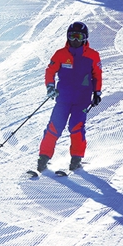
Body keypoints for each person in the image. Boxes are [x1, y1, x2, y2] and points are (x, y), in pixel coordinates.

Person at [36, 22, 102, 173]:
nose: (75, 40)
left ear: (85, 38)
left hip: (82, 100)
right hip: (63, 98)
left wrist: (97, 92)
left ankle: (76, 159)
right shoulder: (60, 54)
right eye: (72, 36)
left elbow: (97, 75)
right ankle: (43, 157)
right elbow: (50, 71)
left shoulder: (92, 55)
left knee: (76, 127)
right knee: (54, 127)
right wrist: (50, 86)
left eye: (79, 37)